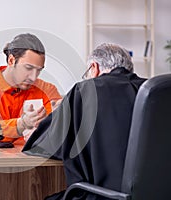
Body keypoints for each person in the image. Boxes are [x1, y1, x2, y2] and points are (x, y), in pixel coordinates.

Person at [22, 43, 147, 199]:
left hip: (102, 196)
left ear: (94, 67)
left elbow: (45, 145)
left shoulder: (86, 90)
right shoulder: (153, 91)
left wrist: (35, 134)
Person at [0, 33, 62, 144]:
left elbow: (55, 133)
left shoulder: (48, 90)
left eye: (39, 70)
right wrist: (23, 124)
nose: (33, 77)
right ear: (11, 61)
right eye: (28, 68)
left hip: (31, 159)